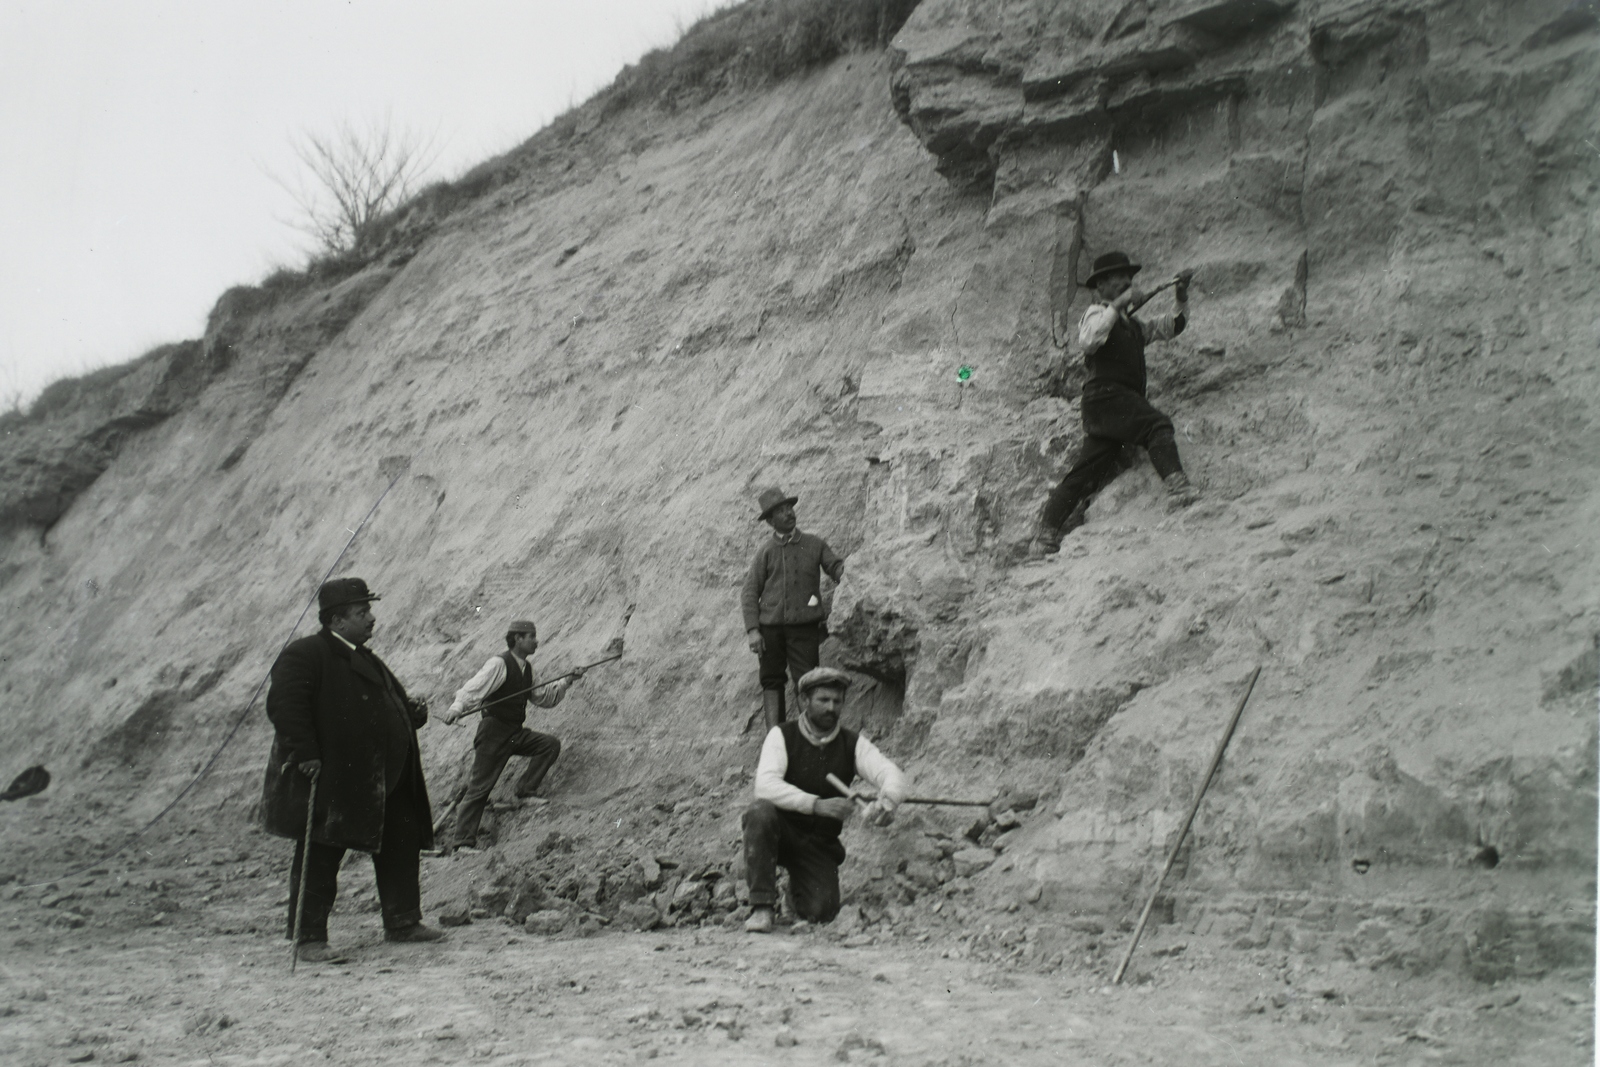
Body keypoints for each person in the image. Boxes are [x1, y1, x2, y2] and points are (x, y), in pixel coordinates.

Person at [260, 578, 444, 963]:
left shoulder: (364, 655)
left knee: (400, 845)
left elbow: (376, 703)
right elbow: (285, 707)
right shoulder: (306, 654)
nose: (371, 619)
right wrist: (306, 753)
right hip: (336, 779)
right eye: (362, 613)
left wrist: (408, 714)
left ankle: (403, 922)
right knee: (322, 854)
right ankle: (308, 939)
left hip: (384, 778)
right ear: (337, 621)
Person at [1032, 251, 1201, 557]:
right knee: (1156, 424)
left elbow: (1172, 326)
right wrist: (1119, 306)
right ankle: (1179, 490)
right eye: (1117, 279)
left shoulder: (1132, 325)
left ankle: (1044, 538)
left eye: (1129, 278)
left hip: (1110, 406)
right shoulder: (1096, 314)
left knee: (1085, 473)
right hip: (1107, 397)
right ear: (1100, 287)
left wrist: (1181, 296)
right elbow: (1089, 340)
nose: (1126, 281)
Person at [741, 667, 907, 933]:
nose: (831, 707)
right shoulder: (781, 736)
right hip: (780, 833)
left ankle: (794, 894)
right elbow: (765, 786)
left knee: (822, 912)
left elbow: (891, 773)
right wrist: (816, 804)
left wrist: (887, 802)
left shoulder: (851, 743)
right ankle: (762, 907)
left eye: (837, 701)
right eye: (823, 700)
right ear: (804, 701)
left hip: (818, 844)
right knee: (760, 813)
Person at [441, 619, 583, 852]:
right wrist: (456, 709)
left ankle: (525, 791)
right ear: (517, 638)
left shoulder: (527, 670)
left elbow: (543, 697)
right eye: (532, 637)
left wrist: (568, 680)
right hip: (493, 733)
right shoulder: (499, 663)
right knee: (479, 787)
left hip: (514, 732)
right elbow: (473, 689)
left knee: (549, 745)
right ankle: (462, 843)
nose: (536, 641)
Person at [741, 487, 845, 731]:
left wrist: (847, 572)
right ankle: (773, 742)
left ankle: (809, 738)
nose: (788, 514)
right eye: (781, 511)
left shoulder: (814, 544)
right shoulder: (766, 552)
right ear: (770, 521)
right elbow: (749, 591)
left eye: (789, 508)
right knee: (771, 680)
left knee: (807, 681)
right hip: (770, 631)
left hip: (804, 629)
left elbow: (836, 567)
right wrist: (753, 630)